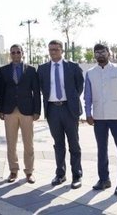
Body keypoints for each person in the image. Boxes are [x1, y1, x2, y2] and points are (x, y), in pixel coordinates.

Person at [84, 44, 117, 195]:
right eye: (97, 52)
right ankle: (104, 179)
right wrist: (88, 114)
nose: (100, 54)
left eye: (102, 51)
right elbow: (88, 96)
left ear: (108, 53)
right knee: (101, 150)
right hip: (99, 117)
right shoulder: (90, 73)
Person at [37, 40, 84, 189]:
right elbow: (42, 88)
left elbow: (79, 87)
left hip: (69, 109)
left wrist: (70, 100)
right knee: (58, 144)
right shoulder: (43, 68)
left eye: (56, 49)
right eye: (50, 50)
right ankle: (60, 174)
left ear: (62, 50)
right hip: (52, 110)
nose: (53, 52)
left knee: (74, 144)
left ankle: (77, 175)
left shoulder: (73, 67)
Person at [0, 44, 41, 184]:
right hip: (9, 111)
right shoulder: (3, 70)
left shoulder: (31, 70)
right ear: (10, 54)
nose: (15, 54)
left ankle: (29, 172)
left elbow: (36, 92)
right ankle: (13, 171)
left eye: (18, 52)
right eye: (13, 52)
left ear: (22, 53)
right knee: (11, 143)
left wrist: (37, 111)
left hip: (27, 111)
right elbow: (1, 92)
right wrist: (0, 110)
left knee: (28, 143)